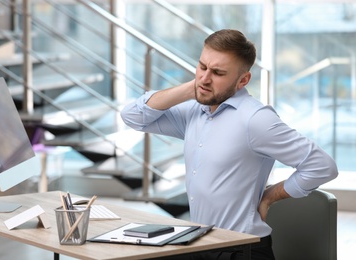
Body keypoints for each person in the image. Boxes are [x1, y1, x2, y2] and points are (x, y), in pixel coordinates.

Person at [120, 29, 338, 260]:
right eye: (202, 67)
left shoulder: (255, 120)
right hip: (200, 242)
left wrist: (271, 196)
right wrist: (192, 88)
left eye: (217, 73)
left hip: (241, 249)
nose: (205, 78)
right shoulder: (196, 112)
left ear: (243, 80)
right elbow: (133, 116)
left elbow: (322, 165)